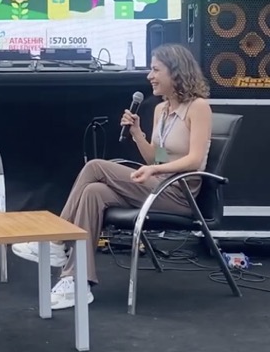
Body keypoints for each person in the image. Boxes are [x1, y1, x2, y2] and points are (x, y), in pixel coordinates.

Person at [12, 43, 212, 309]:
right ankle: (76, 282)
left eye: (155, 70)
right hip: (157, 185)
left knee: (96, 167)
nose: (149, 76)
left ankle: (57, 240)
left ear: (175, 72)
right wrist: (137, 134)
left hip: (179, 194)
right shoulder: (161, 110)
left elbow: (195, 160)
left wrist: (155, 170)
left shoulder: (198, 107)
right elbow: (157, 158)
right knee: (93, 192)